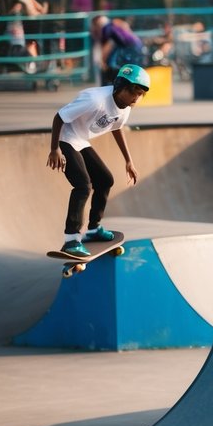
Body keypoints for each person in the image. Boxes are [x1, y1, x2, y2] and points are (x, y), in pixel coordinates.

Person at [46, 65, 148, 256]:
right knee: (83, 186)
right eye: (133, 93)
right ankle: (71, 239)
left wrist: (128, 160)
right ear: (119, 86)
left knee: (105, 179)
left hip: (81, 140)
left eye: (140, 94)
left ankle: (93, 229)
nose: (136, 99)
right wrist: (54, 149)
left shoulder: (125, 107)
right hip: (65, 138)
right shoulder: (94, 100)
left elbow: (117, 127)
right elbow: (59, 117)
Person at [94, 16, 146, 84]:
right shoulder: (114, 23)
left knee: (122, 67)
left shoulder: (106, 28)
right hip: (137, 44)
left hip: (130, 47)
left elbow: (106, 46)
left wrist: (103, 61)